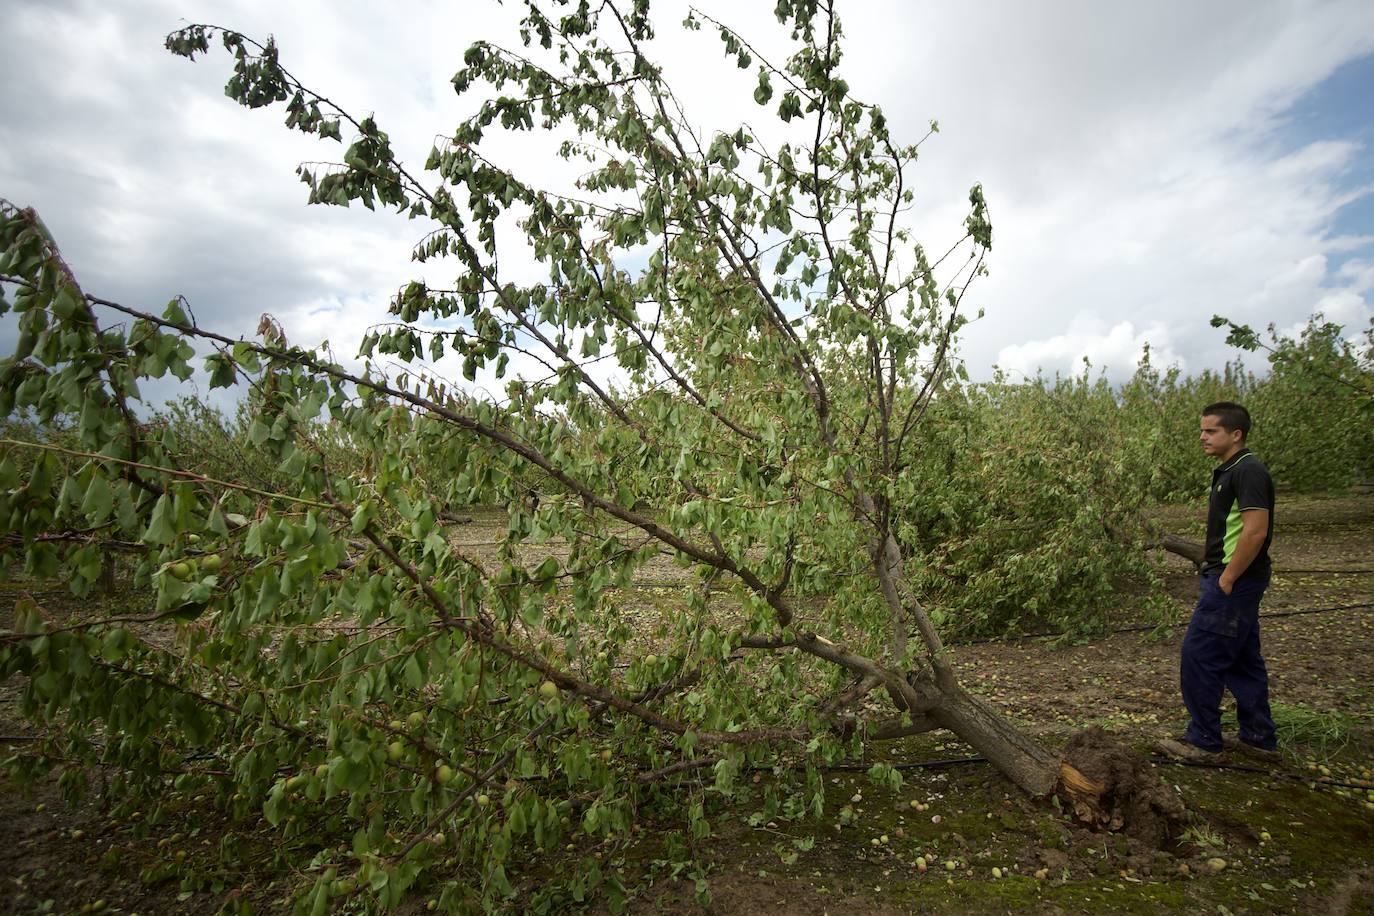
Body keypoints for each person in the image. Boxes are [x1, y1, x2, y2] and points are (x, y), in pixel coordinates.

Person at [1158, 402, 1280, 763]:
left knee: (1199, 655)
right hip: (1234, 579)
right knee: (1243, 659)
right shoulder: (1231, 471)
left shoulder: (1249, 471)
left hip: (1233, 581)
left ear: (1235, 434)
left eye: (1211, 431)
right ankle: (1258, 738)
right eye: (1202, 430)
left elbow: (1255, 532)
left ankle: (1203, 741)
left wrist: (1226, 578)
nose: (1202, 437)